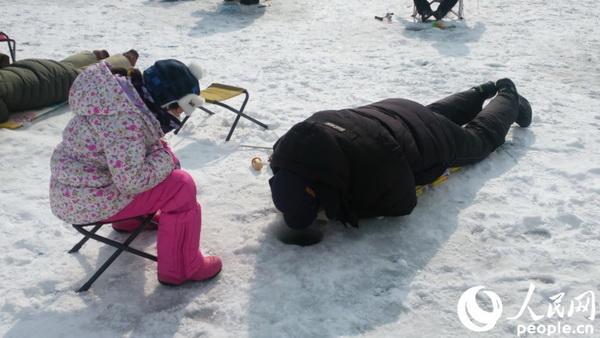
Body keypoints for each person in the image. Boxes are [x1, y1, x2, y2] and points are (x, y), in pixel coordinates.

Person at [269, 79, 532, 229]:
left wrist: (353, 207)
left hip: (432, 140)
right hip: (393, 110)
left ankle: (509, 97)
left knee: (480, 139)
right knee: (431, 116)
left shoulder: (375, 167)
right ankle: (480, 91)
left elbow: (403, 202)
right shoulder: (289, 146)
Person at [49, 58, 221, 286]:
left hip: (77, 193)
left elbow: (126, 157)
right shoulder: (125, 123)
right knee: (181, 185)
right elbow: (132, 181)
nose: (179, 116)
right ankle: (183, 268)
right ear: (167, 102)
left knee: (163, 173)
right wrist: (166, 157)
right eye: (180, 110)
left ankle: (129, 220)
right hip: (88, 202)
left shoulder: (117, 99)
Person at [0, 49, 138, 123]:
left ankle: (125, 59)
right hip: (29, 67)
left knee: (86, 75)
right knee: (64, 67)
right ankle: (94, 55)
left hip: (48, 83)